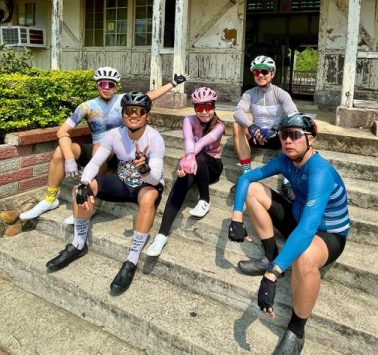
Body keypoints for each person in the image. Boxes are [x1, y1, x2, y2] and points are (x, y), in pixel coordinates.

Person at [228, 113, 349, 355]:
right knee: (252, 190)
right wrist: (237, 217)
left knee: (304, 258)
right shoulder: (286, 160)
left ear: (310, 139)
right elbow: (246, 178)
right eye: (284, 135)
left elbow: (307, 230)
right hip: (299, 218)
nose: (288, 140)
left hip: (327, 233)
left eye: (295, 135)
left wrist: (273, 275)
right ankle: (269, 255)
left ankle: (296, 330)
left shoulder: (320, 172)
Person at [20, 67, 186, 221]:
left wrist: (173, 83)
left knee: (98, 149)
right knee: (60, 151)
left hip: (120, 150)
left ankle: (90, 199)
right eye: (103, 84)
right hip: (97, 149)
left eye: (111, 84)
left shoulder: (123, 101)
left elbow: (150, 96)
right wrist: (70, 159)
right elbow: (62, 132)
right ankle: (50, 199)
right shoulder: (86, 106)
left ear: (116, 86)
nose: (107, 88)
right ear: (97, 85)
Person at [46, 91, 165, 295]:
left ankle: (131, 259)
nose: (133, 115)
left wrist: (144, 169)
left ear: (147, 115)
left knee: (148, 198)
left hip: (145, 184)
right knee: (81, 189)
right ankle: (78, 244)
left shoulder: (155, 139)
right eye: (128, 111)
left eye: (139, 111)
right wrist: (84, 182)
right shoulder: (114, 134)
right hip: (122, 182)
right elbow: (95, 163)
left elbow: (155, 179)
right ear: (123, 114)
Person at [146, 87, 225, 257]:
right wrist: (186, 163)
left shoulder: (219, 125)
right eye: (199, 107)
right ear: (194, 108)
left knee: (200, 157)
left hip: (212, 167)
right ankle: (161, 235)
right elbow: (189, 140)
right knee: (181, 181)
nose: (204, 111)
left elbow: (203, 142)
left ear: (214, 106)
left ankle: (205, 199)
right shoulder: (188, 120)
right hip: (193, 162)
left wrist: (188, 158)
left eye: (208, 106)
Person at [233, 55, 297, 198]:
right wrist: (251, 126)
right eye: (257, 72)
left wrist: (275, 128)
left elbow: (293, 114)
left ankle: (287, 181)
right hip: (255, 135)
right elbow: (238, 112)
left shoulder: (281, 94)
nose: (260, 75)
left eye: (264, 71)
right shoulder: (249, 94)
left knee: (292, 128)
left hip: (275, 137)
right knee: (237, 125)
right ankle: (247, 173)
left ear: (272, 73)